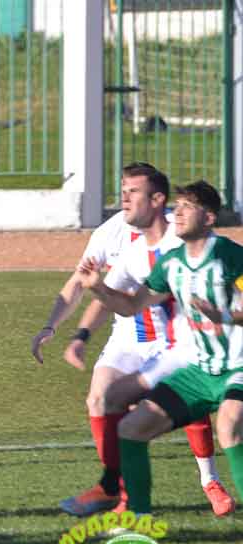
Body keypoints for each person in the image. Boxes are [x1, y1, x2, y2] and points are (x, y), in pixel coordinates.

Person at [31, 163, 231, 517]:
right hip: (131, 337)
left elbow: (221, 269)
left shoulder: (183, 238)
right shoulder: (121, 240)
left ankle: (208, 480)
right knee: (102, 397)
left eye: (132, 191)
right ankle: (117, 490)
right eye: (122, 190)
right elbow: (101, 291)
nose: (123, 198)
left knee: (201, 411)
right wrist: (75, 334)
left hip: (181, 341)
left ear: (157, 200)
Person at [78, 180, 243, 520]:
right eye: (177, 205)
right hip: (200, 372)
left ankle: (211, 482)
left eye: (188, 206)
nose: (177, 212)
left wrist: (224, 316)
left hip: (238, 366)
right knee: (129, 426)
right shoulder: (171, 264)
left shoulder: (230, 256)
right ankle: (137, 517)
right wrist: (98, 288)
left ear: (209, 218)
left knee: (228, 425)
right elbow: (131, 305)